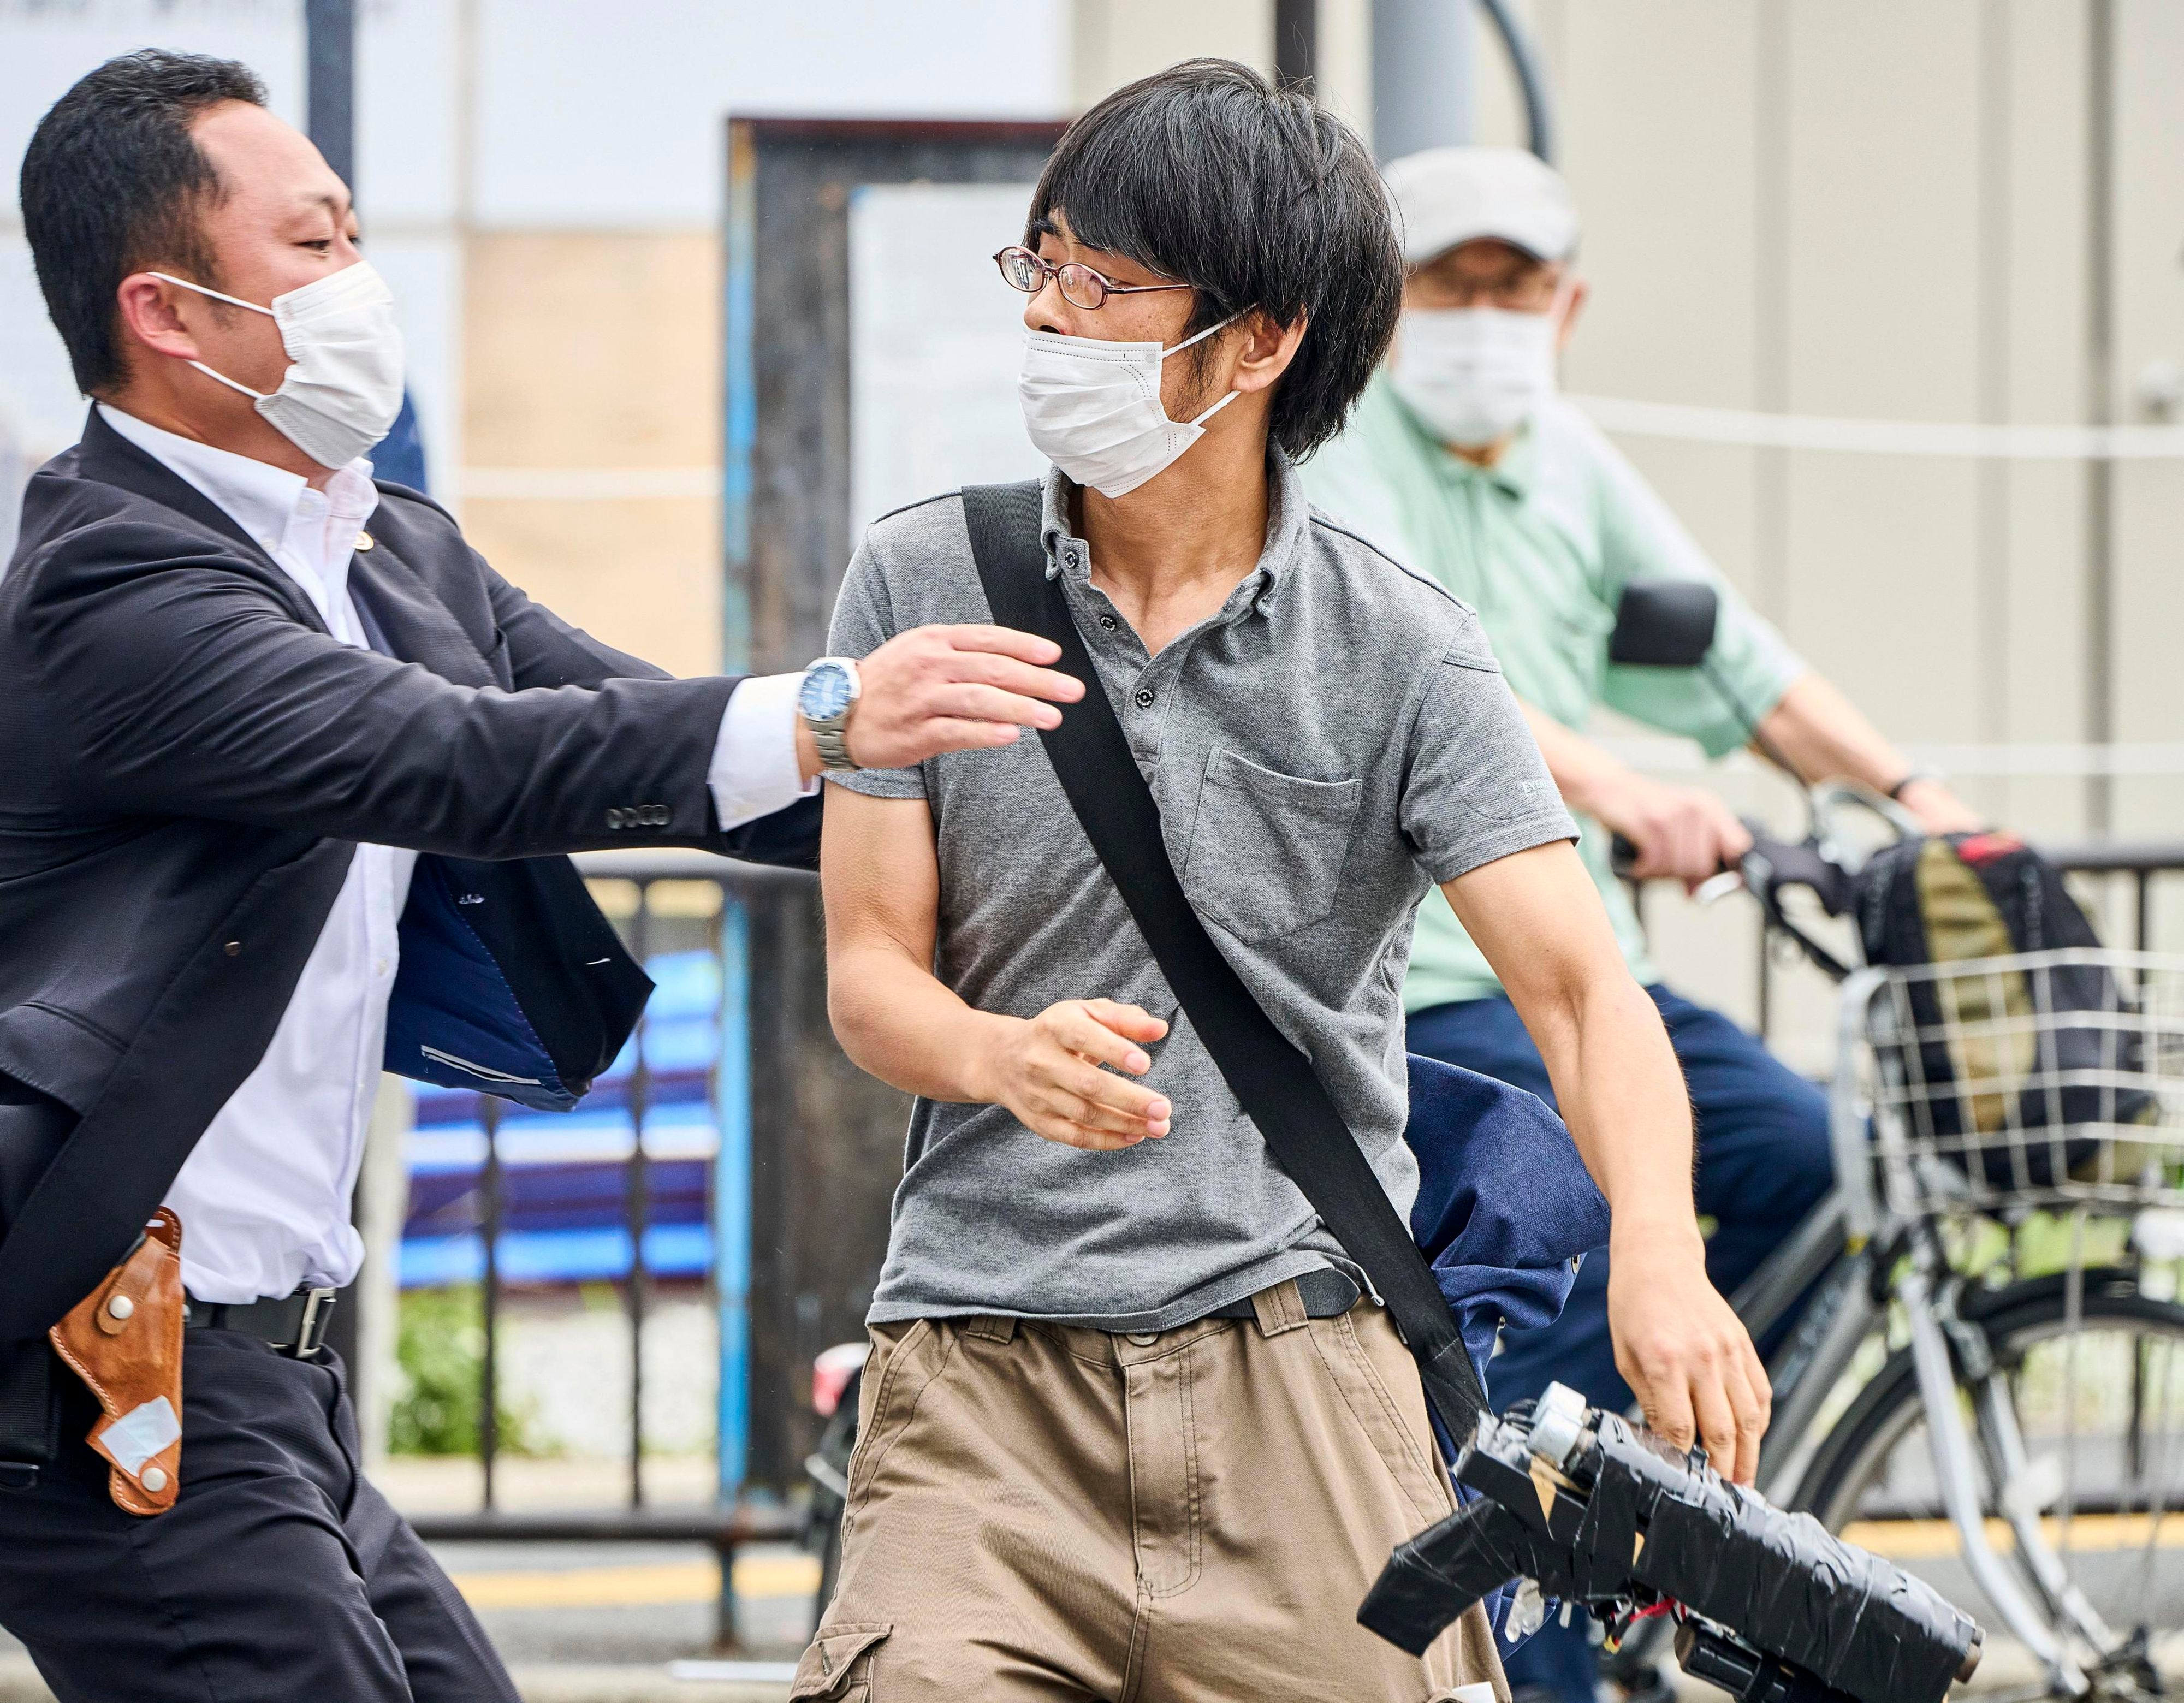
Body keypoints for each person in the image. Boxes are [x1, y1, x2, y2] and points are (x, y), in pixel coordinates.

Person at [0, 51, 1082, 1703]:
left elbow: (660, 751)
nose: (365, 284)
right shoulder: (114, 583)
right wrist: (829, 708)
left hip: (277, 1384)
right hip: (107, 1384)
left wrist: (1054, 813)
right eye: (318, 244)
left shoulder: (385, 546)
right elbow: (457, 760)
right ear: (168, 310)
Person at [809, 63, 1767, 1703]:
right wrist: (996, 1057)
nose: (1052, 314)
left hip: (1304, 1370)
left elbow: (1580, 989)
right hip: (979, 1371)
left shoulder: (1403, 648)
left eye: (1107, 285)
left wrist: (1660, 1261)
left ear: (1261, 340)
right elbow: (869, 970)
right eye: (1041, 265)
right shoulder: (923, 578)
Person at [1299, 145, 1985, 1701]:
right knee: (1574, 1214)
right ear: (1392, 307)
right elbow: (1451, 693)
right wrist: (1624, 792)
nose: (1483, 315)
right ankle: (1536, 1592)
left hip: (1586, 965)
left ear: (1568, 305)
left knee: (1800, 1158)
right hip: (1434, 979)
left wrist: (1921, 794)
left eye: (1513, 285)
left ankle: (1608, 1492)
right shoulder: (1337, 466)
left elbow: (1745, 669)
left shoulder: (1569, 464)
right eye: (1450, 284)